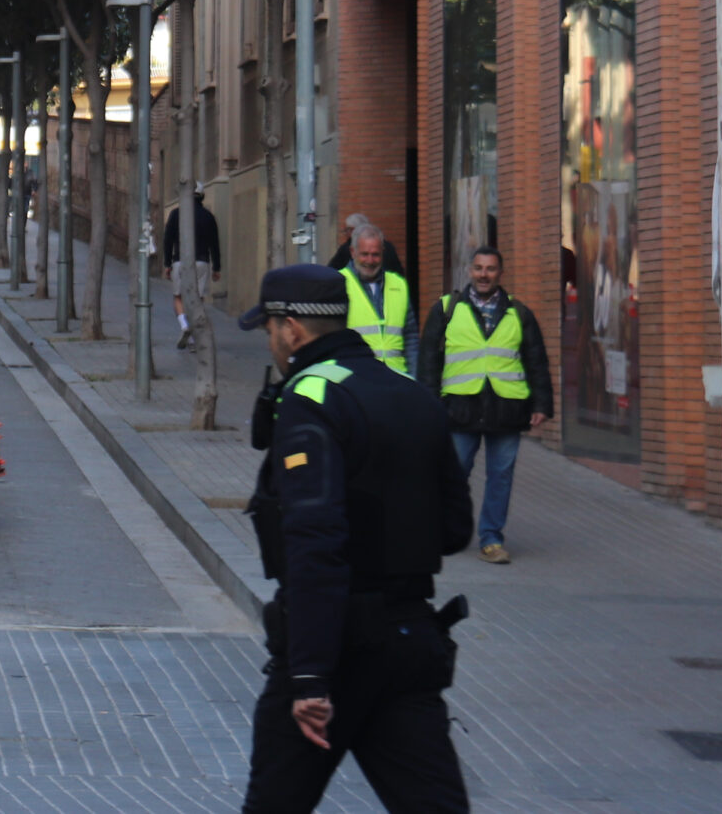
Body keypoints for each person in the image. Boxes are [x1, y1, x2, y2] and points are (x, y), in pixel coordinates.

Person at [235, 263, 473, 814]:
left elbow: (314, 542)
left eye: (270, 330)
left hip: (335, 649)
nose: (270, 342)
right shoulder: (411, 392)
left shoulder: (310, 398)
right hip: (410, 642)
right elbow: (455, 529)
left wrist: (310, 676)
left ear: (292, 329)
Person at [417, 244, 554, 564]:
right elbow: (428, 360)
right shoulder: (447, 309)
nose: (484, 274)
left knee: (500, 477)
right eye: (479, 268)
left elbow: (536, 361)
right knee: (453, 474)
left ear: (500, 273)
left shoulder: (519, 313)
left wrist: (541, 404)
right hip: (460, 408)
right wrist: (429, 403)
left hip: (506, 409)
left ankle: (491, 539)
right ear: (470, 270)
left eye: (490, 269)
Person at [340, 224, 418, 376]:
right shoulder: (339, 283)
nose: (370, 260)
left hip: (396, 378)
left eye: (375, 254)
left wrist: (413, 377)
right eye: (364, 254)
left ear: (383, 252)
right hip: (358, 379)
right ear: (352, 252)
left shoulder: (398, 284)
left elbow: (410, 338)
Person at [163, 185, 221, 350]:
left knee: (178, 297)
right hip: (202, 262)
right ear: (202, 196)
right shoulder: (208, 216)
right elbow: (214, 244)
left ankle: (184, 325)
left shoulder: (176, 214)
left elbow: (168, 240)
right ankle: (196, 337)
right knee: (198, 300)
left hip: (180, 262)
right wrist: (217, 267)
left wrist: (167, 263)